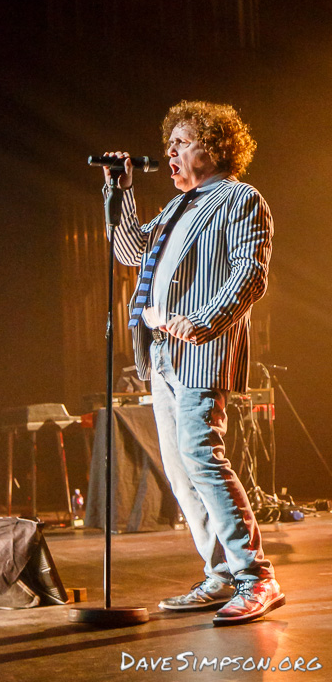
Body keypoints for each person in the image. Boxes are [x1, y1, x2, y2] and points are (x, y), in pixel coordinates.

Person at [101, 100, 284, 626]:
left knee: (202, 456)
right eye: (170, 143)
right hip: (161, 355)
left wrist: (202, 319)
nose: (171, 152)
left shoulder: (238, 198)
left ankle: (256, 576)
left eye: (182, 141)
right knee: (182, 472)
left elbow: (251, 274)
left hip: (202, 348)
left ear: (216, 146)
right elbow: (129, 251)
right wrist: (121, 188)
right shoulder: (178, 207)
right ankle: (221, 575)